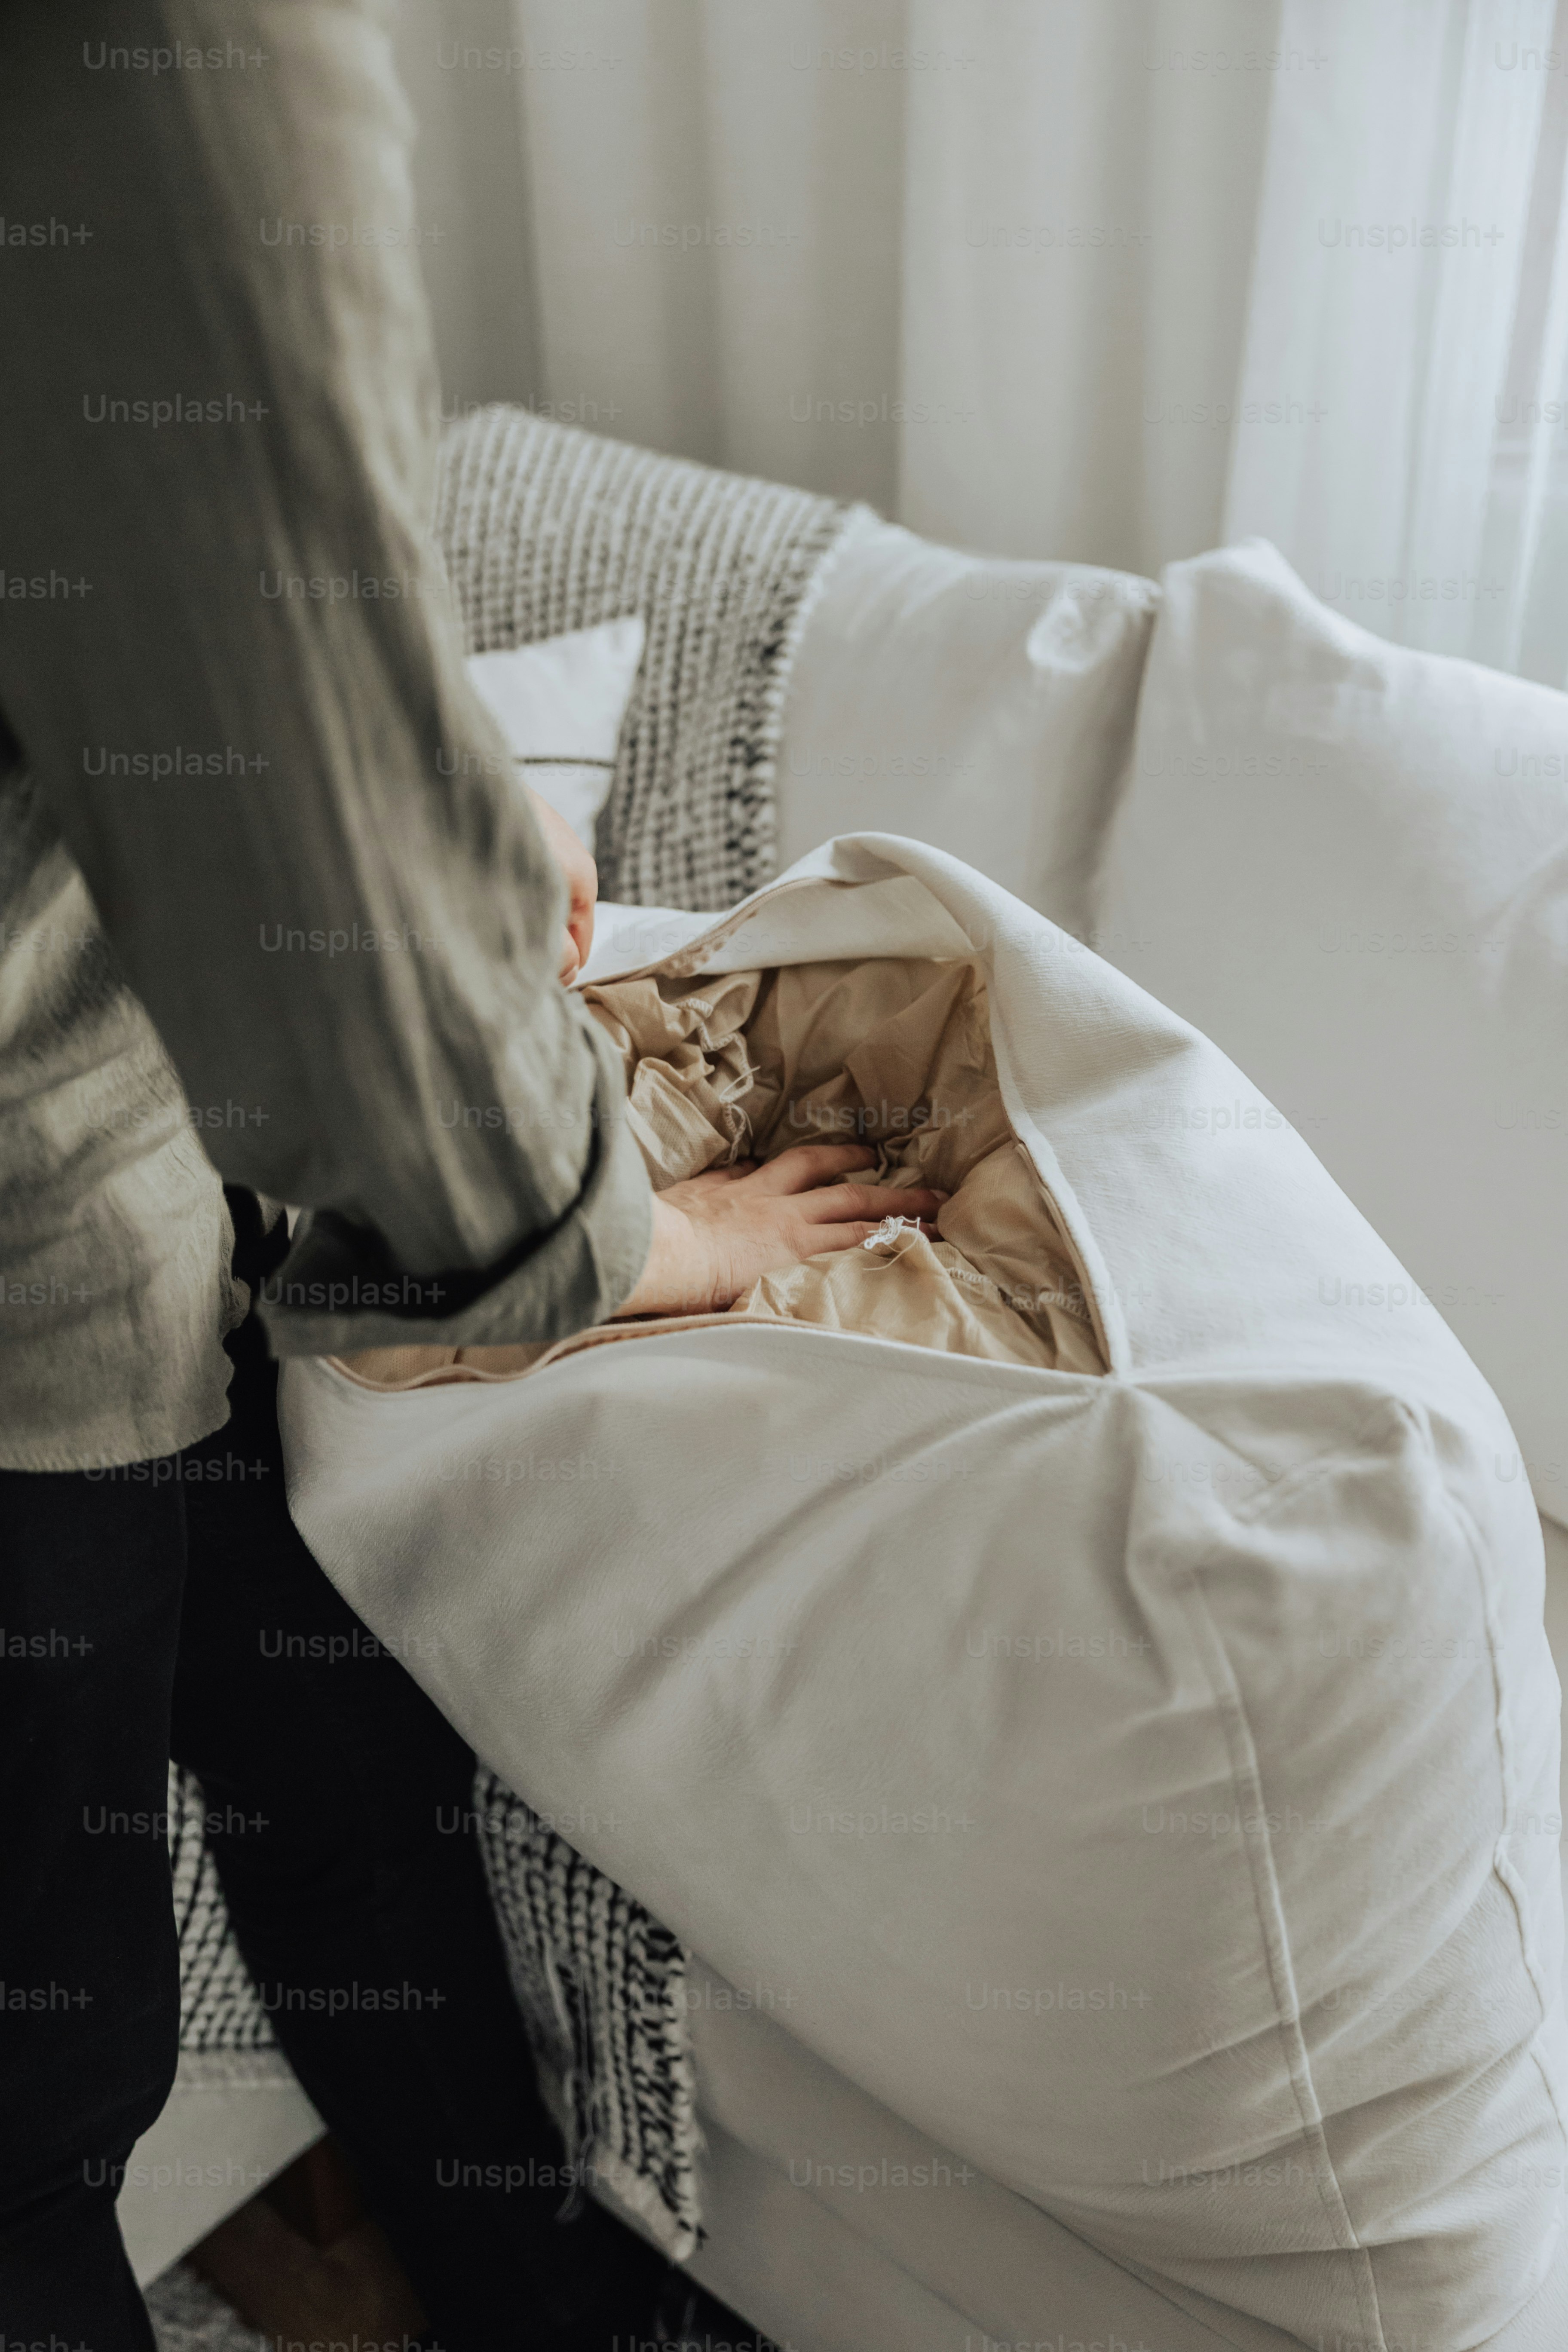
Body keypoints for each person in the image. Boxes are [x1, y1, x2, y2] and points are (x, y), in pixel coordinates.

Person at [0, 5, 934, 2347]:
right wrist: (630, 1231)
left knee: (343, 1773)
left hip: (128, 1191)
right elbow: (274, 758)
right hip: (33, 1295)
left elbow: (204, 575)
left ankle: (534, 2298)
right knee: (36, 2113)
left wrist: (443, 793)